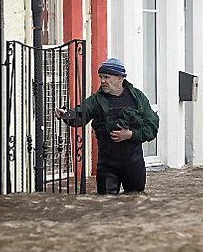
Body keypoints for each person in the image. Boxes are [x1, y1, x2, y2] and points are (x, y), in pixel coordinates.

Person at [55, 57, 159, 194]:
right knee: (106, 204)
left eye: (107, 77)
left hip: (134, 163)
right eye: (101, 77)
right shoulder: (97, 100)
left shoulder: (137, 98)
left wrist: (130, 135)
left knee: (136, 201)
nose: (103, 81)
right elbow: (81, 114)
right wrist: (67, 115)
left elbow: (152, 126)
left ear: (120, 78)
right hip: (108, 165)